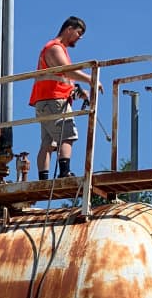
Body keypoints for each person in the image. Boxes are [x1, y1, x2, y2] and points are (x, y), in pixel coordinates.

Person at [29, 16, 102, 179]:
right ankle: (64, 172)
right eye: (78, 32)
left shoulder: (56, 49)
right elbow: (68, 71)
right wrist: (92, 80)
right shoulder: (55, 48)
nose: (80, 37)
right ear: (69, 29)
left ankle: (43, 179)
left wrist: (77, 90)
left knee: (48, 142)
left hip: (46, 101)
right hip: (54, 101)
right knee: (67, 135)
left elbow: (63, 77)